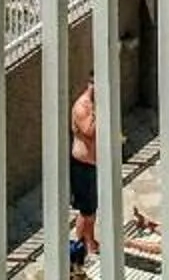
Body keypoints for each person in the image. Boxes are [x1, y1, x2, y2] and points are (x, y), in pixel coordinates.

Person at [68, 77, 100, 263]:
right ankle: (79, 244)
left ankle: (90, 239)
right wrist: (101, 112)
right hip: (82, 164)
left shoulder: (96, 105)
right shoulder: (82, 107)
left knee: (93, 208)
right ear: (90, 84)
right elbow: (90, 131)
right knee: (85, 211)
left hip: (94, 163)